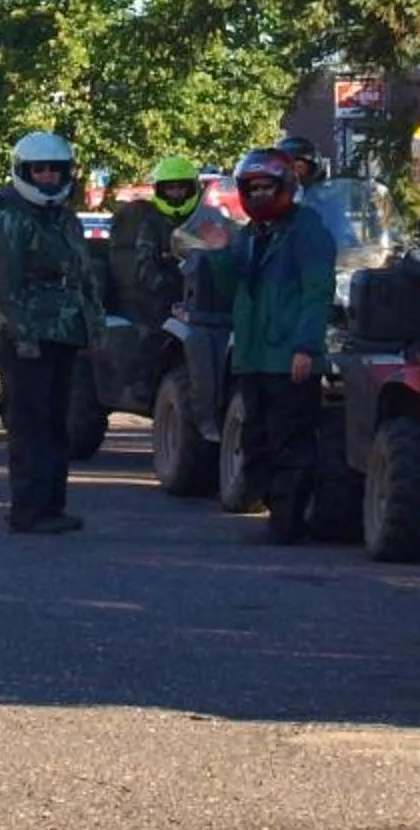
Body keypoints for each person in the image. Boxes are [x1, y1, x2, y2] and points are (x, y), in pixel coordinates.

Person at [189, 145, 335, 543]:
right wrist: (219, 254)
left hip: (289, 358)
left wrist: (306, 347)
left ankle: (287, 526)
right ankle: (279, 516)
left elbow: (317, 293)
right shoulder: (250, 235)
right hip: (253, 357)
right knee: (256, 444)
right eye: (251, 188)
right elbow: (235, 288)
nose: (259, 195)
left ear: (286, 186)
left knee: (291, 445)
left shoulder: (309, 231)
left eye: (267, 187)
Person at [0, 128, 96, 535]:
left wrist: (93, 327)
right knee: (30, 425)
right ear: (23, 171)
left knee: (56, 423)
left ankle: (53, 507)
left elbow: (83, 274)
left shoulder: (64, 216)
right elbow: (3, 285)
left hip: (64, 333)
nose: (48, 176)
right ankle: (29, 510)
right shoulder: (9, 217)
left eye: (56, 169)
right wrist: (23, 336)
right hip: (27, 339)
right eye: (40, 169)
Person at [104, 154, 202, 332]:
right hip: (161, 309)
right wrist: (174, 289)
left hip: (202, 304)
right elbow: (146, 269)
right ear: (160, 190)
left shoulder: (204, 220)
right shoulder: (151, 224)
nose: (177, 193)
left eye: (182, 188)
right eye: (170, 188)